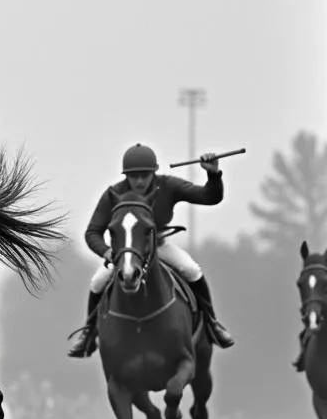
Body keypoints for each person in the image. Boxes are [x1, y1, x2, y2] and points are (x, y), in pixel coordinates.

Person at [67, 144, 235, 358]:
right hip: (127, 254)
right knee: (97, 282)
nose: (139, 181)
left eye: (144, 175)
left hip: (160, 246)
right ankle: (89, 334)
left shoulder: (168, 185)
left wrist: (213, 175)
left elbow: (209, 198)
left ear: (153, 173)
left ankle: (212, 324)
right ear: (126, 176)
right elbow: (92, 232)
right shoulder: (113, 194)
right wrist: (107, 252)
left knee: (191, 270)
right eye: (133, 176)